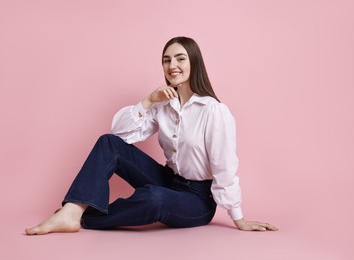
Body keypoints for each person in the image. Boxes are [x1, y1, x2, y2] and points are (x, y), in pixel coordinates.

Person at [25, 36, 278, 235]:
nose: (172, 66)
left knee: (153, 198)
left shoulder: (214, 111)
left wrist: (239, 218)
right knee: (108, 144)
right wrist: (147, 101)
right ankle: (71, 211)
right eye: (167, 60)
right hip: (169, 179)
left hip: (198, 200)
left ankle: (85, 219)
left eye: (180, 59)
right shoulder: (163, 103)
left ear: (194, 63)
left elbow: (224, 167)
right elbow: (120, 133)